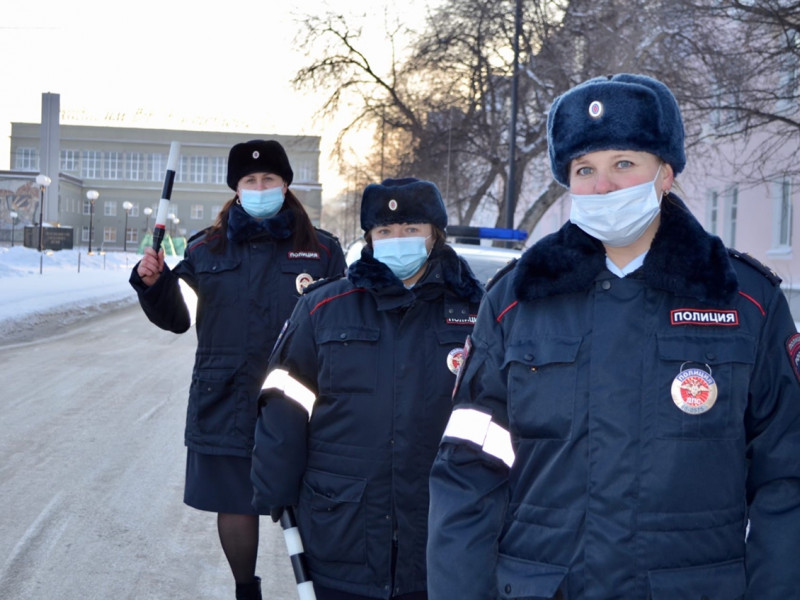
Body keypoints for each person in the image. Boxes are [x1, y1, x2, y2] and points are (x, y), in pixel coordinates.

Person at [426, 74, 800, 599]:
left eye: (624, 164)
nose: (602, 186)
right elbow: (468, 470)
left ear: (665, 173)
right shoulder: (516, 301)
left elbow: (787, 477)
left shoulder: (744, 301)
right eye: (585, 169)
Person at [130, 139, 346, 600]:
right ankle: (246, 590)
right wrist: (154, 283)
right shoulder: (207, 249)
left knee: (316, 500)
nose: (260, 186)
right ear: (237, 188)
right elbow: (178, 316)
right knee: (235, 504)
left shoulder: (322, 251)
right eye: (250, 180)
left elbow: (341, 325)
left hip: (301, 400)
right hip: (225, 395)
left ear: (285, 185)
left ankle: (326, 589)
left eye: (269, 178)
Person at [250, 177, 485, 600]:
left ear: (435, 235)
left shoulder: (476, 313)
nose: (399, 240)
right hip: (342, 526)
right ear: (370, 239)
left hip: (443, 529)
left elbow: (502, 414)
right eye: (386, 231)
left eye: (412, 229)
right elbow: (284, 399)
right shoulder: (324, 308)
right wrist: (275, 487)